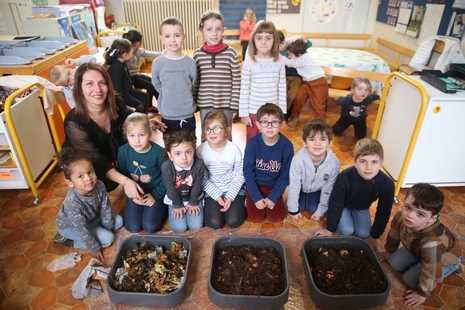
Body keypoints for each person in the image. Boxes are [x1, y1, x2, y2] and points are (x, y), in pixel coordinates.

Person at [62, 62, 166, 199]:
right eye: (89, 83)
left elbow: (130, 116)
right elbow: (96, 161)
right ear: (79, 88)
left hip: (109, 154)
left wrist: (145, 124)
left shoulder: (116, 101)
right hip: (87, 163)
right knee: (95, 182)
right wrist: (126, 181)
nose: (97, 89)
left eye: (102, 83)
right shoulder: (74, 122)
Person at [377, 183, 462, 307]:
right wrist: (388, 251)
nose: (410, 215)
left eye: (420, 214)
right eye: (408, 207)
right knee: (394, 262)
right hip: (417, 249)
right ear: (404, 202)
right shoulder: (400, 217)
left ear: (432, 219)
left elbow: (431, 271)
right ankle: (420, 259)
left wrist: (423, 294)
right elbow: (394, 235)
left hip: (444, 258)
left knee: (410, 280)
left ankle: (452, 267)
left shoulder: (431, 243)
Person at [314, 138, 394, 250]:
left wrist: (374, 236)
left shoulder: (387, 184)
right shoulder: (345, 177)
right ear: (355, 162)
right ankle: (338, 218)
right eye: (363, 161)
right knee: (346, 230)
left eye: (374, 162)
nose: (369, 167)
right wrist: (330, 229)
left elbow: (383, 212)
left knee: (364, 233)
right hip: (343, 205)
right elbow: (336, 203)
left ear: (381, 164)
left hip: (361, 207)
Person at [54, 147, 123, 261]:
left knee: (119, 221)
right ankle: (69, 240)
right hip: (71, 227)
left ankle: (98, 229)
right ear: (70, 183)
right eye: (80, 176)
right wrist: (94, 248)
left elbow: (105, 208)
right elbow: (82, 229)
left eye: (90, 172)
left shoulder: (99, 185)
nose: (88, 178)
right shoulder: (72, 203)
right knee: (108, 239)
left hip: (91, 218)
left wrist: (108, 226)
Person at [193, 10, 241, 139]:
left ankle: (228, 159)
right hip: (205, 103)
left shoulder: (230, 53)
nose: (214, 34)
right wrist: (194, 101)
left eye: (218, 29)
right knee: (207, 134)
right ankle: (204, 159)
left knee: (225, 133)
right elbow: (196, 81)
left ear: (223, 30)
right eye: (209, 29)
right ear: (201, 31)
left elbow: (237, 79)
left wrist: (234, 103)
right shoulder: (197, 54)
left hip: (226, 104)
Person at [117, 113, 167, 233]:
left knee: (150, 227)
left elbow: (168, 178)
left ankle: (165, 206)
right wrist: (132, 196)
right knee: (133, 227)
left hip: (156, 191)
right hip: (136, 193)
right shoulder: (123, 151)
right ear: (126, 135)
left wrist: (155, 195)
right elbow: (124, 177)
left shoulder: (159, 153)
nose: (137, 140)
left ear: (150, 133)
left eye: (142, 135)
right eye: (132, 135)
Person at [243, 103, 293, 222]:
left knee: (277, 218)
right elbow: (248, 172)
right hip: (255, 185)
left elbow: (285, 175)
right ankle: (246, 197)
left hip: (274, 186)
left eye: (274, 122)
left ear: (282, 124)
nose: (269, 127)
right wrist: (256, 196)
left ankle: (271, 199)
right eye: (265, 122)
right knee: (256, 217)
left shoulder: (287, 146)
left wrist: (273, 197)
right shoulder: (252, 144)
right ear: (258, 125)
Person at [197, 111, 246, 229]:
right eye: (207, 129)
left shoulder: (234, 150)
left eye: (217, 128)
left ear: (227, 131)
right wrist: (218, 196)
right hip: (213, 189)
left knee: (234, 221)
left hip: (233, 189)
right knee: (214, 223)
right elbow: (202, 178)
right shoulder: (200, 151)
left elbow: (240, 175)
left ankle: (241, 205)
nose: (212, 132)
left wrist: (230, 196)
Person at [238, 21, 286, 141]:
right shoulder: (249, 63)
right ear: (253, 40)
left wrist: (282, 113)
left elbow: (282, 88)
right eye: (259, 38)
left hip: (273, 111)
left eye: (268, 38)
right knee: (252, 141)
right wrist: (244, 114)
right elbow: (244, 90)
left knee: (271, 140)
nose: (263, 42)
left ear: (274, 40)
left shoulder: (279, 61)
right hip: (253, 111)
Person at [287, 119, 340, 220]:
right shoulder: (297, 160)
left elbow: (328, 188)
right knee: (298, 207)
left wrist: (321, 210)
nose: (317, 144)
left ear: (330, 143)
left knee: (313, 208)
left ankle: (311, 201)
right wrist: (292, 209)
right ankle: (301, 200)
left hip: (318, 189)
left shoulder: (334, 163)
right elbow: (294, 185)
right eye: (312, 139)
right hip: (301, 189)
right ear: (304, 142)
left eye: (322, 139)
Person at [152, 16, 197, 135]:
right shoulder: (157, 63)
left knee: (189, 145)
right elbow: (157, 85)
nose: (172, 40)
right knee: (170, 147)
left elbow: (193, 85)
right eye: (167, 36)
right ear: (161, 39)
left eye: (177, 35)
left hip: (187, 114)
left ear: (184, 37)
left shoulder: (191, 63)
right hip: (168, 115)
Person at [161, 131, 205, 232]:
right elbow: (170, 189)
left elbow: (197, 186)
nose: (184, 157)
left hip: (193, 197)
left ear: (194, 151)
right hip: (175, 199)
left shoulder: (199, 164)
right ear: (170, 155)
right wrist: (177, 205)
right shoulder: (166, 167)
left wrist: (193, 202)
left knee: (195, 226)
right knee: (179, 228)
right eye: (178, 154)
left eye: (188, 152)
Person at [282, 39, 328, 127]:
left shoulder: (303, 59)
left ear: (299, 55)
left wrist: (280, 57)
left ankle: (322, 126)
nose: (288, 56)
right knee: (299, 98)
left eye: (290, 55)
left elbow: (290, 63)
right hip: (307, 82)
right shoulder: (299, 56)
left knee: (317, 105)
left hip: (318, 82)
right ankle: (295, 116)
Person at [123, 29, 163, 113]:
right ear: (138, 43)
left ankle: (161, 103)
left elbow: (150, 54)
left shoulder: (139, 51)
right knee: (151, 86)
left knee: (154, 82)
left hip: (136, 75)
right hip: (129, 78)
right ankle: (149, 106)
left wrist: (164, 54)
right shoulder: (126, 53)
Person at [105, 38, 149, 113]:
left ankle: (144, 121)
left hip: (128, 91)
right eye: (131, 52)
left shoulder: (122, 63)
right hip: (122, 95)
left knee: (146, 96)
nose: (132, 53)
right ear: (125, 54)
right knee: (139, 106)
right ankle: (137, 123)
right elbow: (118, 91)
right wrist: (124, 105)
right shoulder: (116, 68)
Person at [277, 30, 312, 119]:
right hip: (283, 76)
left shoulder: (292, 44)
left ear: (285, 39)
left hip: (296, 77)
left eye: (283, 42)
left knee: (293, 95)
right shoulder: (275, 51)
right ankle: (282, 112)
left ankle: (288, 111)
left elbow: (309, 44)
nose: (283, 46)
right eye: (279, 45)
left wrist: (302, 38)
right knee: (282, 93)